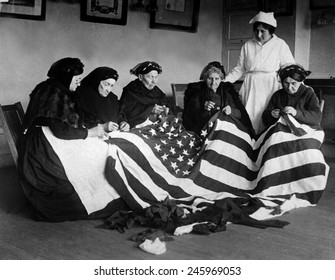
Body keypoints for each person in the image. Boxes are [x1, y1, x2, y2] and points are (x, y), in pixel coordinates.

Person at [18, 57, 126, 222]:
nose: (78, 84)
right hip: (41, 149)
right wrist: (90, 133)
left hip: (47, 138)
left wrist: (91, 131)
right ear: (66, 77)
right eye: (76, 80)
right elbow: (60, 130)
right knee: (95, 154)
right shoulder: (52, 93)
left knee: (95, 149)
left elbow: (63, 124)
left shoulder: (54, 88)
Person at [224, 11, 295, 134]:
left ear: (271, 31)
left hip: (270, 86)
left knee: (268, 115)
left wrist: (299, 85)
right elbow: (239, 68)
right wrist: (224, 82)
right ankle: (250, 145)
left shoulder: (280, 44)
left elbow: (290, 68)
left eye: (263, 31)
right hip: (251, 85)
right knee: (249, 116)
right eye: (257, 30)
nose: (259, 34)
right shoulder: (248, 45)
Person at [182, 61, 254, 136]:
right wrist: (204, 109)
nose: (213, 82)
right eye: (210, 78)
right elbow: (191, 118)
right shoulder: (197, 92)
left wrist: (231, 111)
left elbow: (239, 114)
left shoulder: (227, 91)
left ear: (221, 79)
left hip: (225, 128)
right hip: (205, 130)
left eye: (217, 79)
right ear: (205, 78)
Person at [262, 64, 322, 129]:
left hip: (306, 129)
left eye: (293, 83)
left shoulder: (308, 93)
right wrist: (272, 114)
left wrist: (296, 113)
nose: (289, 88)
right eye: (286, 83)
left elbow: (317, 117)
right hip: (283, 129)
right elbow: (265, 118)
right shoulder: (277, 95)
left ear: (301, 81)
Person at [119, 61, 171, 129]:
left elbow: (166, 104)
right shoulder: (131, 90)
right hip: (139, 127)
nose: (154, 81)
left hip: (158, 126)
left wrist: (166, 109)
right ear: (140, 77)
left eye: (156, 77)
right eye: (151, 77)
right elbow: (126, 113)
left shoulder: (156, 91)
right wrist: (150, 109)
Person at [77, 66, 129, 132]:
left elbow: (118, 115)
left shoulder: (112, 98)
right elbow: (79, 125)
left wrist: (123, 123)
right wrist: (102, 127)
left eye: (111, 85)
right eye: (107, 84)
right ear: (96, 81)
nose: (109, 90)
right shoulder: (79, 96)